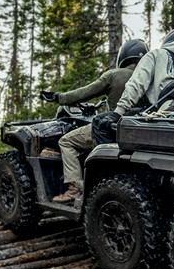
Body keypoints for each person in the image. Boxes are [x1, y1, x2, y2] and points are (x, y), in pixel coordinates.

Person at [41, 38, 148, 204]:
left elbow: (84, 93)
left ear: (125, 56)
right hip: (140, 132)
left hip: (112, 128)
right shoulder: (150, 78)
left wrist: (59, 97)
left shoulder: (114, 75)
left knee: (66, 141)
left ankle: (74, 189)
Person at [111, 28, 174, 119]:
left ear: (167, 41)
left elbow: (137, 84)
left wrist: (118, 112)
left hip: (156, 117)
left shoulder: (155, 55)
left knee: (99, 123)